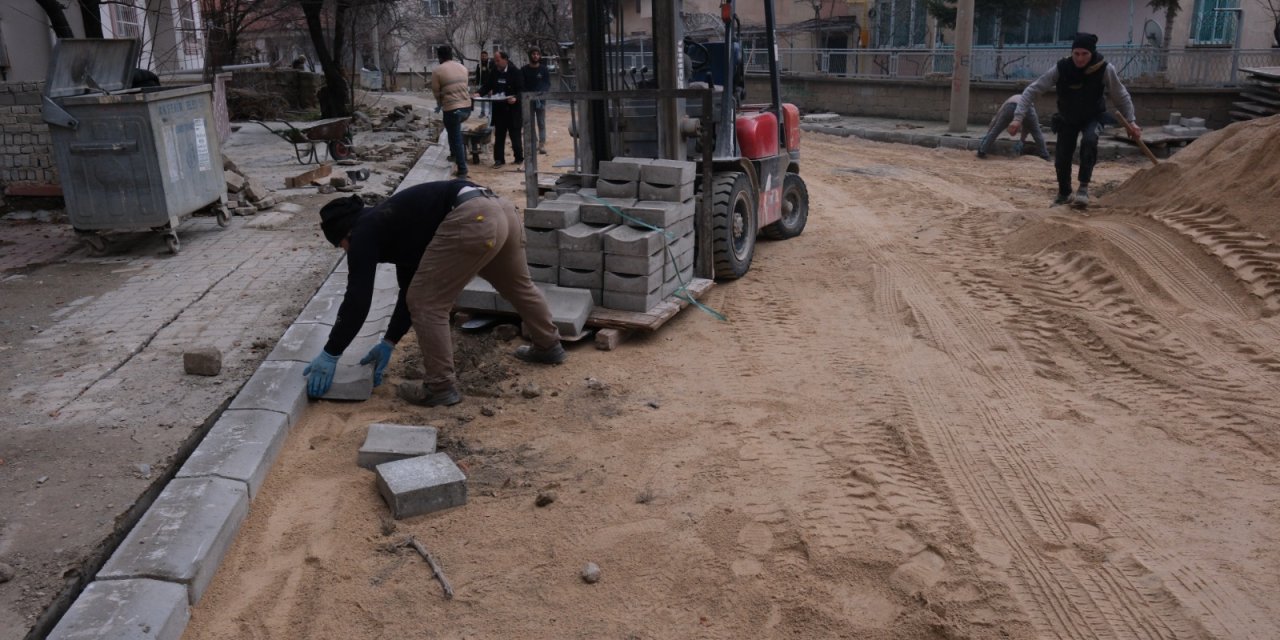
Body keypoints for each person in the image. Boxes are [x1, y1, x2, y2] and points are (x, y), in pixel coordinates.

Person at [305, 182, 568, 407]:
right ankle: (549, 346)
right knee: (519, 287)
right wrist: (389, 341)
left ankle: (440, 387)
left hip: (473, 218)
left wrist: (332, 352)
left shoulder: (363, 232)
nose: (346, 252)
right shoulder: (393, 222)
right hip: (499, 209)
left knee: (429, 305)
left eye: (341, 245)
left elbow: (358, 299)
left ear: (346, 233)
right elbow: (409, 288)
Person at [1009, 32, 1141, 208]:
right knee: (1062, 156)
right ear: (1072, 53)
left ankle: (1083, 189)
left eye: (1084, 54)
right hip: (1067, 117)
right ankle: (1064, 193)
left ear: (1091, 53)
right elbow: (1032, 91)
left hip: (1093, 116)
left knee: (1089, 141)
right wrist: (1017, 118)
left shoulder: (1105, 69)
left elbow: (1121, 96)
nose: (1079, 58)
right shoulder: (1061, 68)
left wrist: (1131, 121)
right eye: (1076, 53)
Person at [431, 46, 473, 178]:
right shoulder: (462, 67)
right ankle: (454, 154)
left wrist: (439, 102)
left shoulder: (437, 71)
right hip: (467, 108)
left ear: (440, 57)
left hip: (452, 108)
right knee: (451, 128)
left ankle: (462, 169)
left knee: (456, 136)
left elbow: (436, 91)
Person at [477, 50, 524, 168]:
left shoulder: (515, 72)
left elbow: (522, 91)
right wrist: (479, 93)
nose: (496, 63)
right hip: (499, 110)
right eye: (495, 61)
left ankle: (518, 158)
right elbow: (488, 85)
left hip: (513, 110)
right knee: (499, 136)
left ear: (505, 59)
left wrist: (516, 98)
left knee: (515, 135)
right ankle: (499, 160)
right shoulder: (494, 72)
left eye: (498, 61)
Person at [977, 94, 1050, 161]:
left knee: (996, 130)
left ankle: (982, 151)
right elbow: (1027, 128)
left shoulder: (1007, 103)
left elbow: (995, 121)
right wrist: (1022, 141)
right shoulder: (1026, 100)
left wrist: (988, 134)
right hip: (1028, 107)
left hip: (1011, 106)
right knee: (1036, 132)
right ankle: (1045, 155)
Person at [521, 47, 553, 154]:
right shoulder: (524, 70)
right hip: (528, 101)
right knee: (529, 123)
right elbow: (522, 85)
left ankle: (542, 145)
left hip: (540, 101)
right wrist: (528, 95)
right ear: (530, 55)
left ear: (539, 56)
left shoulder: (543, 69)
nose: (535, 56)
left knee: (541, 122)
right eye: (533, 54)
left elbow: (547, 83)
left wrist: (541, 93)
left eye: (537, 54)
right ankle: (533, 144)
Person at [473, 50, 494, 120]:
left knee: (490, 99)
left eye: (485, 56)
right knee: (482, 99)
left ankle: (490, 113)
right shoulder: (479, 65)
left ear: (487, 56)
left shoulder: (491, 64)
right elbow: (477, 75)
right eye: (482, 56)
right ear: (480, 57)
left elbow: (493, 74)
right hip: (482, 85)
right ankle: (482, 112)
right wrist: (476, 84)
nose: (484, 57)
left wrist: (492, 87)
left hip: (490, 85)